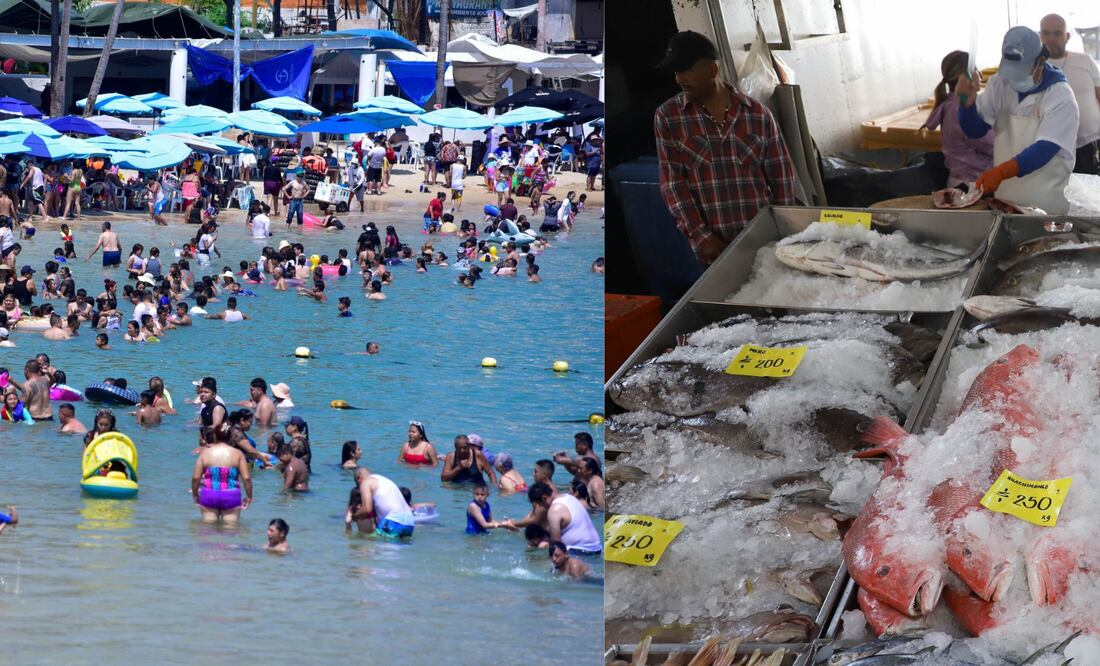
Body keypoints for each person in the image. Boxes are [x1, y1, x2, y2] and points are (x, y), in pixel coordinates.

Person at [655, 31, 796, 265]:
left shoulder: (758, 115)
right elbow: (673, 185)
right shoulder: (669, 117)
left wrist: (784, 231)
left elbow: (782, 178)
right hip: (714, 248)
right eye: (676, 72)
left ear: (712, 70)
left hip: (764, 241)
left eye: (686, 70)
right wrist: (701, 236)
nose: (679, 79)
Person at [957, 26, 1079, 214]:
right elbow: (975, 130)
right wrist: (966, 106)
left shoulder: (1060, 96)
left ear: (1040, 61)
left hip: (1047, 206)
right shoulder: (999, 83)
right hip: (1005, 202)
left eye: (1022, 72)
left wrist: (1001, 172)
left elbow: (1045, 149)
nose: (1015, 80)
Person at [921, 51, 995, 187]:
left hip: (960, 180)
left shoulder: (949, 104)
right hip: (971, 183)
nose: (979, 77)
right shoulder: (961, 109)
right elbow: (989, 145)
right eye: (976, 72)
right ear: (969, 76)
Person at [1039, 14, 1100, 175]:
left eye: (1057, 33)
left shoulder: (1085, 61)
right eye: (1046, 33)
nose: (1051, 39)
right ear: (1040, 35)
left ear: (1067, 36)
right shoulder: (1034, 68)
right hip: (1052, 149)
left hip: (1091, 144)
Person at [191, 426, 252, 524]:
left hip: (209, 494)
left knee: (208, 529)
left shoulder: (205, 453)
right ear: (231, 437)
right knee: (230, 529)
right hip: (231, 495)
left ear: (215, 436)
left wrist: (195, 494)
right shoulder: (238, 454)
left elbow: (196, 477)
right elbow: (246, 478)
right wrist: (249, 497)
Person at [526, 482, 601, 553]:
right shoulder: (569, 497)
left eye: (539, 504)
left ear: (544, 498)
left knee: (541, 548)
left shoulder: (554, 510)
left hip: (579, 550)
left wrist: (538, 544)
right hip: (597, 548)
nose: (541, 508)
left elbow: (556, 544)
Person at [351, 467, 416, 538]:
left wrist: (354, 517)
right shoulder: (382, 479)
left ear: (359, 478)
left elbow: (367, 509)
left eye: (357, 484)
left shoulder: (366, 483)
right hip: (410, 522)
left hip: (393, 521)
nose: (359, 488)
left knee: (365, 539)